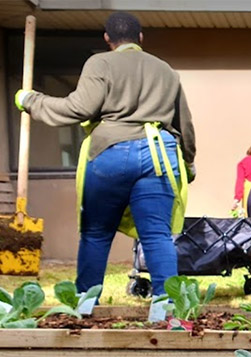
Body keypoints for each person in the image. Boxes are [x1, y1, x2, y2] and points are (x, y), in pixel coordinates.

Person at [15, 12, 196, 321]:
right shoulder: (166, 71)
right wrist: (188, 164)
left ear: (107, 39)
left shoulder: (100, 63)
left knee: (96, 234)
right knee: (156, 236)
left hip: (110, 152)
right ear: (141, 38)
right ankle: (166, 313)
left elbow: (79, 108)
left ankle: (84, 308)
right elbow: (185, 125)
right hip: (158, 156)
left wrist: (31, 100)